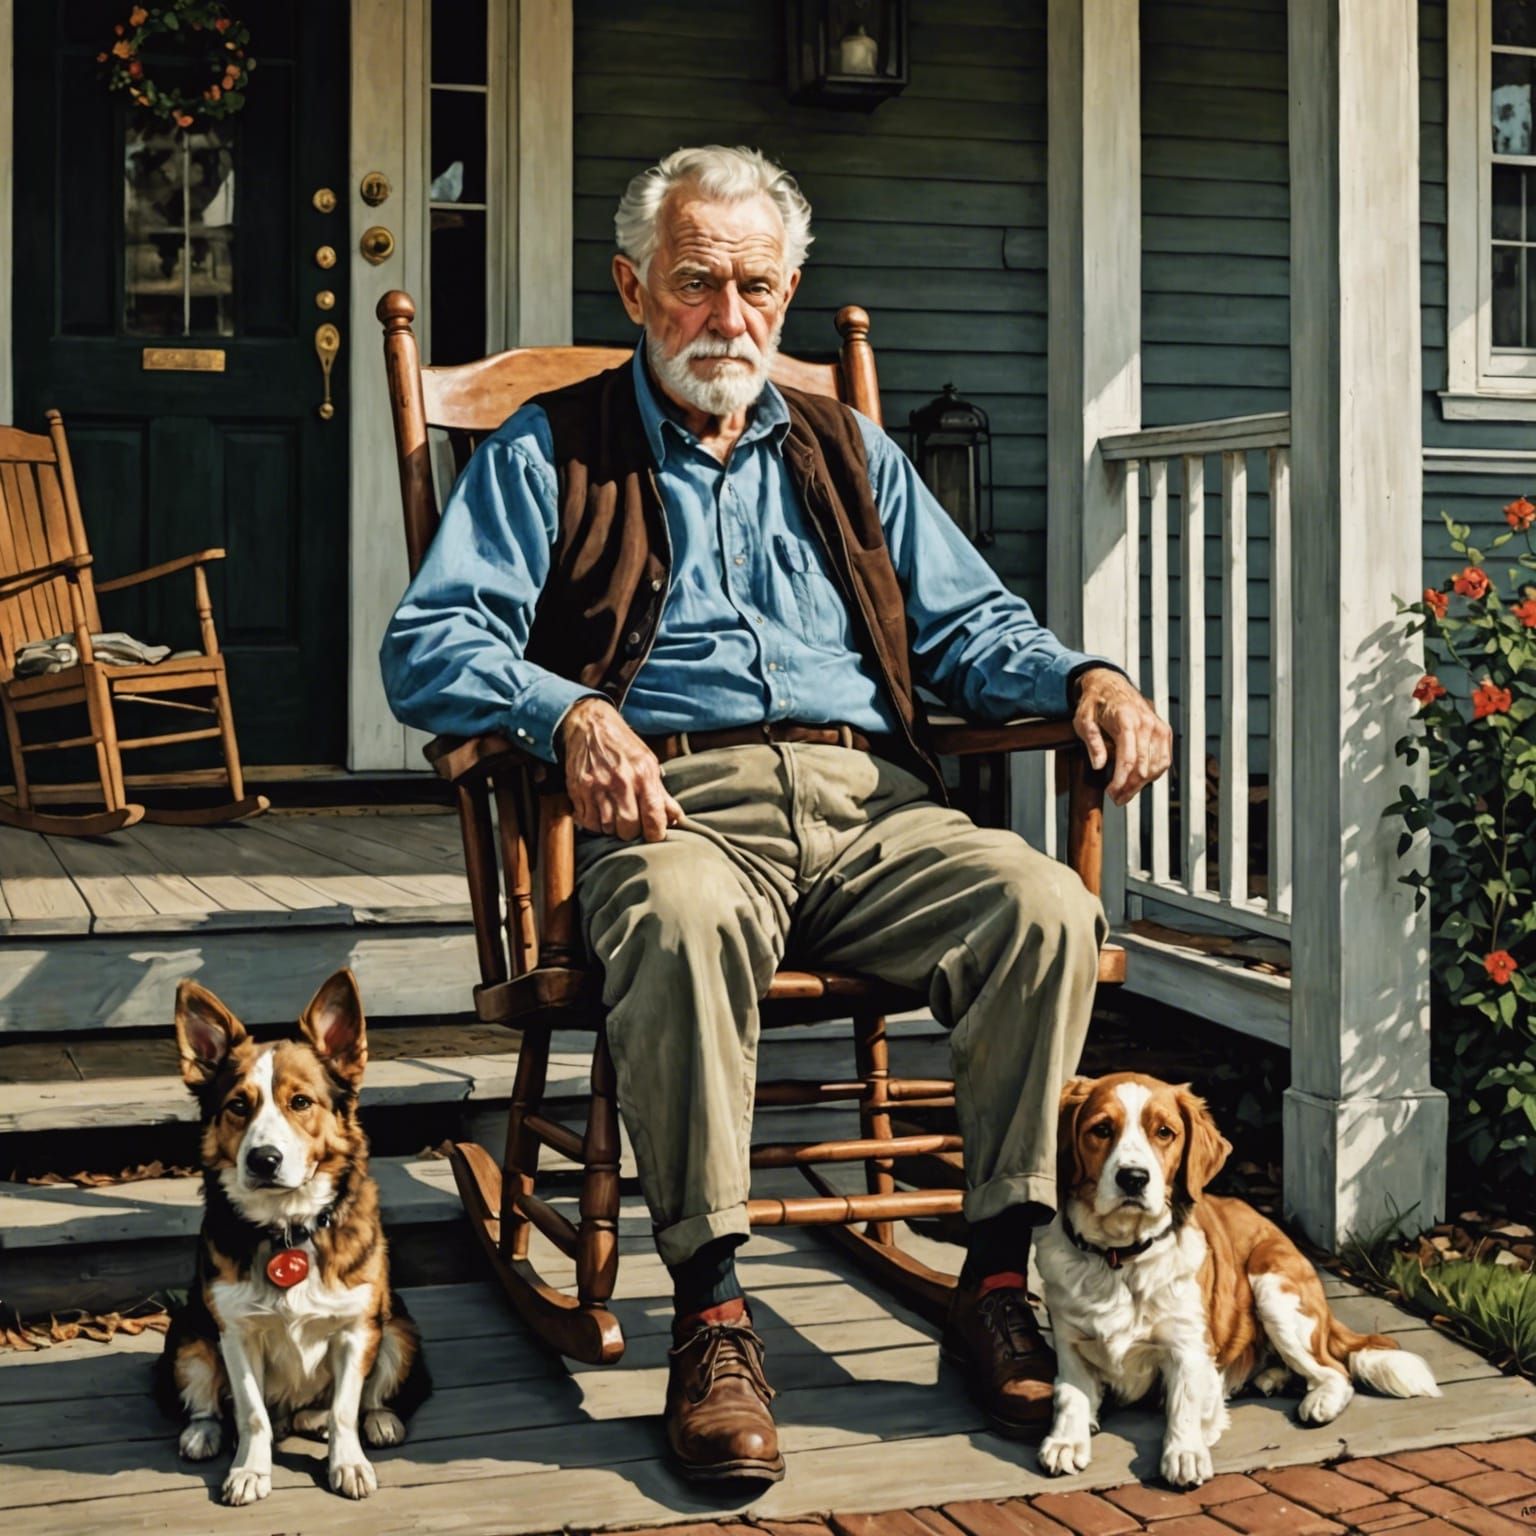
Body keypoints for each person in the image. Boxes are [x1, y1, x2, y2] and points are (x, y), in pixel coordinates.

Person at [381, 144, 1172, 1485]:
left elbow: (971, 627)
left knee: (1046, 902)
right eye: (698, 284)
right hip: (674, 806)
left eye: (757, 286)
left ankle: (992, 1278)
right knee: (680, 916)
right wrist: (564, 716)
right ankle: (713, 1312)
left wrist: (1084, 675)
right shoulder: (551, 449)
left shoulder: (848, 450)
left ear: (790, 291)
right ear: (636, 288)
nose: (729, 317)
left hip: (873, 805)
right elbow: (430, 641)